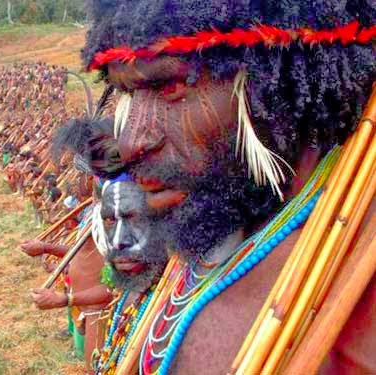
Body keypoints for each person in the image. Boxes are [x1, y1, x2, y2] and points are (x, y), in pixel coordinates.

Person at [57, 1, 375, 374]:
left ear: (272, 81)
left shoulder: (357, 277)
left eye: (169, 86)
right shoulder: (214, 217)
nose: (130, 141)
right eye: (127, 94)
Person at [21, 214, 113, 375]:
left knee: (98, 370)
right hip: (87, 309)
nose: (77, 188)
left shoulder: (114, 214)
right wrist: (46, 247)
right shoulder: (95, 210)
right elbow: (80, 251)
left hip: (101, 312)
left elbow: (116, 284)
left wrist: (65, 299)